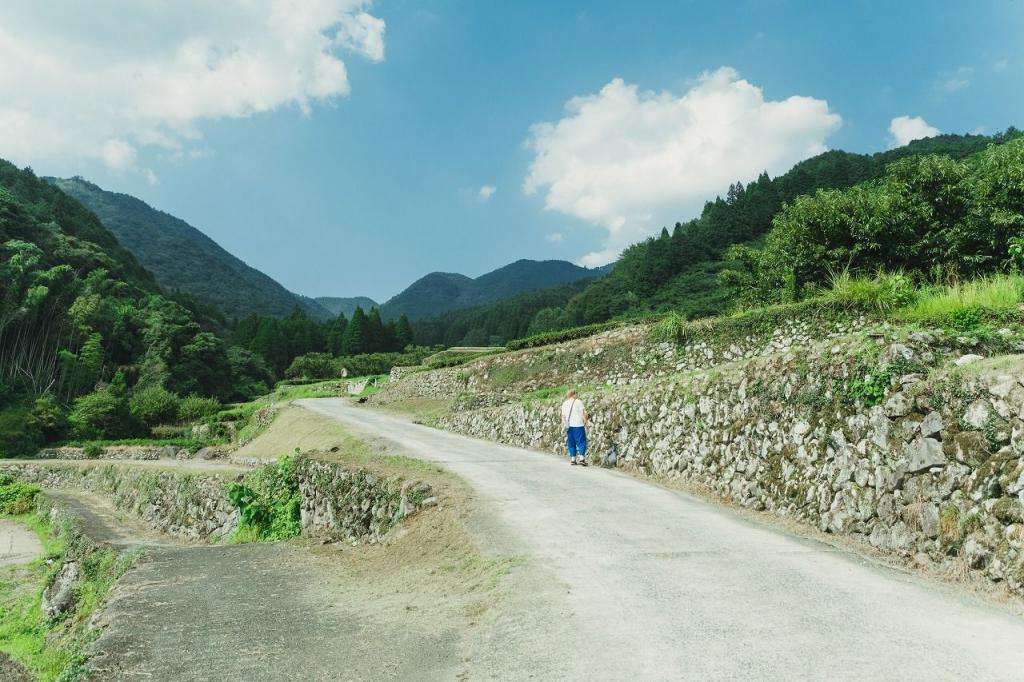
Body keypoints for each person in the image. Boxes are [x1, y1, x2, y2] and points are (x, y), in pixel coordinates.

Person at [560, 389, 588, 466]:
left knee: (571, 442)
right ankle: (582, 458)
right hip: (578, 425)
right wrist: (585, 421)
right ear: (574, 394)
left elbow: (563, 416)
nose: (577, 395)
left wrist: (564, 425)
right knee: (581, 442)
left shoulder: (565, 403)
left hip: (569, 426)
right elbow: (583, 413)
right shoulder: (578, 402)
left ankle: (573, 459)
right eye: (576, 393)